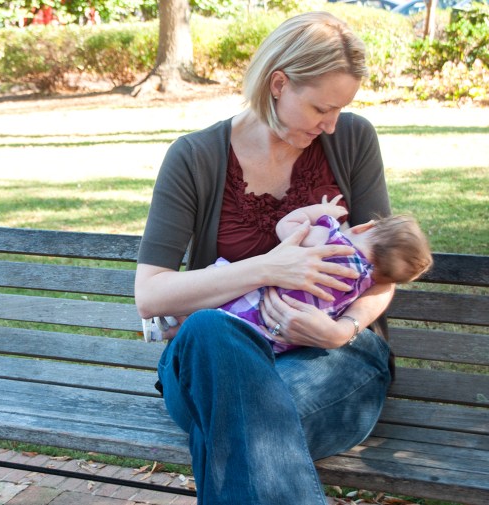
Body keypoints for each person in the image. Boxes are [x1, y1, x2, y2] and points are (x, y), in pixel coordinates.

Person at [135, 11, 398, 504]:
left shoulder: (353, 141)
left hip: (332, 355)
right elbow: (150, 295)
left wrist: (345, 329)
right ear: (279, 83)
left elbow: (383, 274)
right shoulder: (195, 158)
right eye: (322, 107)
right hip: (214, 358)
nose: (331, 124)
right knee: (208, 332)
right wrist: (271, 266)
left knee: (234, 423)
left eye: (341, 109)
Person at [215, 196, 432, 353]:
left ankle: (184, 324)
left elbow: (286, 226)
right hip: (278, 342)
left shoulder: (331, 241)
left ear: (364, 227)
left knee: (216, 276)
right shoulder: (362, 286)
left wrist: (322, 211)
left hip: (253, 305)